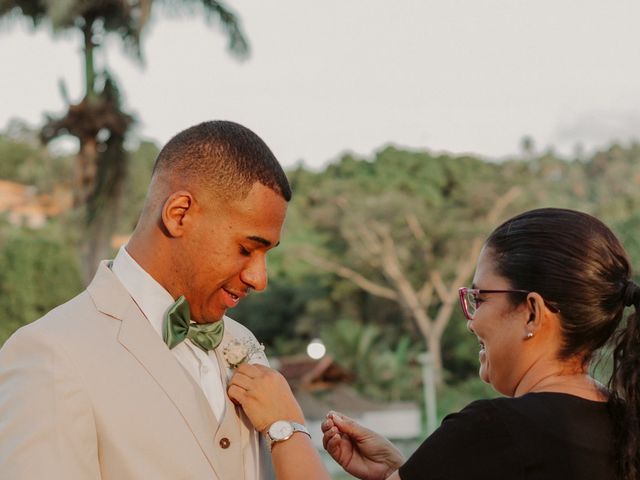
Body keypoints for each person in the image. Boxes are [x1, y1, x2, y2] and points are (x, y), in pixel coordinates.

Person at [228, 207, 640, 480]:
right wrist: (408, 470)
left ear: (532, 312)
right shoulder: (625, 428)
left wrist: (285, 427)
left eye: (479, 298)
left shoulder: (493, 431)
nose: (472, 319)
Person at [0, 120, 291, 479]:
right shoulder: (50, 355)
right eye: (246, 249)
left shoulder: (243, 343)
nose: (259, 279)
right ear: (179, 214)